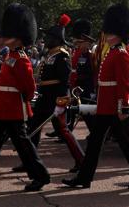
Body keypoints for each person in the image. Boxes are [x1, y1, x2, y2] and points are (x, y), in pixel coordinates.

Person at [63, 4, 129, 190]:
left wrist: (124, 107)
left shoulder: (120, 54)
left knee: (125, 143)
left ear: (118, 32)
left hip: (114, 106)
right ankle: (84, 178)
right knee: (96, 142)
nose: (107, 35)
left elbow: (123, 84)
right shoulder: (112, 52)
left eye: (111, 31)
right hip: (105, 105)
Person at [0, 3, 50, 192]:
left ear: (20, 37)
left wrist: (24, 101)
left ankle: (41, 175)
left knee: (23, 145)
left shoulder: (21, 58)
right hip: (2, 107)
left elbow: (28, 87)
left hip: (13, 108)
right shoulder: (9, 56)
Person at [18, 14, 85, 173]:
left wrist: (61, 103)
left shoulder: (62, 56)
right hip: (44, 98)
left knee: (63, 131)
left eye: (49, 37)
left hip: (55, 99)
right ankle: (30, 161)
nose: (46, 40)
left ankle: (81, 160)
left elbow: (64, 82)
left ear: (56, 39)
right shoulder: (50, 54)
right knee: (33, 128)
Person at [68, 18, 97, 133]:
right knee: (71, 109)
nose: (77, 44)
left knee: (86, 112)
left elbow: (90, 72)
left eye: (80, 42)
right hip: (76, 86)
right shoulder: (77, 52)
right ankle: (66, 132)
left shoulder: (88, 54)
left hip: (84, 87)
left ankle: (95, 132)